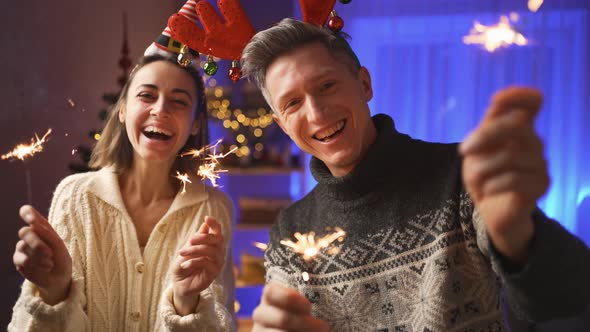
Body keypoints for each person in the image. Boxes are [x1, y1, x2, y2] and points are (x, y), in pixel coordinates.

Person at [240, 18, 590, 331]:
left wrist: (520, 239)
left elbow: (569, 300)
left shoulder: (462, 176)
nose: (316, 113)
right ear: (282, 125)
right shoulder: (290, 229)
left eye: (327, 86)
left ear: (364, 84)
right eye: (292, 103)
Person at [9, 54, 236, 331]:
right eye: (147, 95)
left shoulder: (213, 208)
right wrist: (54, 291)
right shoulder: (76, 196)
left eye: (178, 101)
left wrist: (186, 302)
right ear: (123, 110)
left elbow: (224, 324)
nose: (160, 110)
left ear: (196, 123)